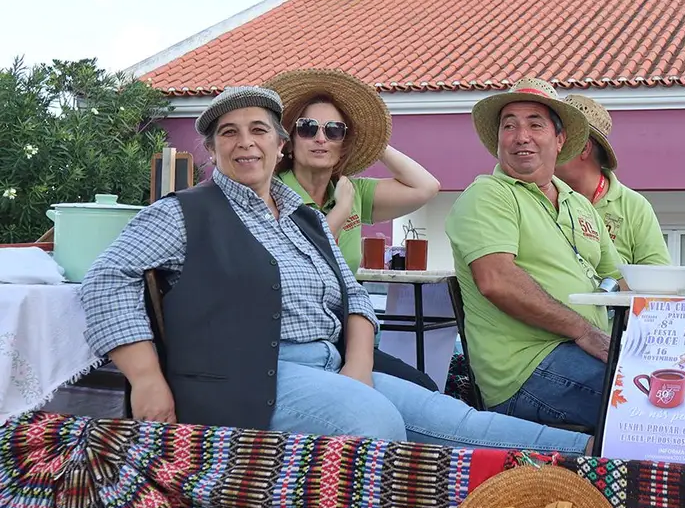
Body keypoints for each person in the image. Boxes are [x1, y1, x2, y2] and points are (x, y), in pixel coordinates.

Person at [78, 86, 592, 456]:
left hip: (330, 364)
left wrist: (358, 367)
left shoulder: (302, 217)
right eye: (227, 134)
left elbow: (355, 298)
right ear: (211, 151)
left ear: (279, 145)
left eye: (259, 130)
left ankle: (601, 456)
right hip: (247, 375)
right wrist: (145, 377)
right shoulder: (185, 211)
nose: (244, 143)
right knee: (374, 420)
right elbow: (107, 279)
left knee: (461, 421)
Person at [445, 78, 623, 430]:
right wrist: (585, 331)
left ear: (559, 140)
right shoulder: (488, 194)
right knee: (656, 398)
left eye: (534, 124)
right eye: (508, 125)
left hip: (581, 353)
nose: (520, 135)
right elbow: (498, 281)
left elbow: (617, 278)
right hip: (525, 370)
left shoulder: (578, 205)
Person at [263, 68, 441, 274]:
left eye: (334, 130)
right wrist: (343, 210)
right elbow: (300, 262)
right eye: (307, 128)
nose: (321, 139)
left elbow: (426, 187)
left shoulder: (351, 190)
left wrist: (375, 142)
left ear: (343, 145)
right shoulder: (271, 192)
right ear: (289, 142)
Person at [553, 94, 671, 266]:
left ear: (584, 148)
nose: (547, 145)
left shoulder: (634, 206)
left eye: (559, 139)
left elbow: (657, 275)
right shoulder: (539, 195)